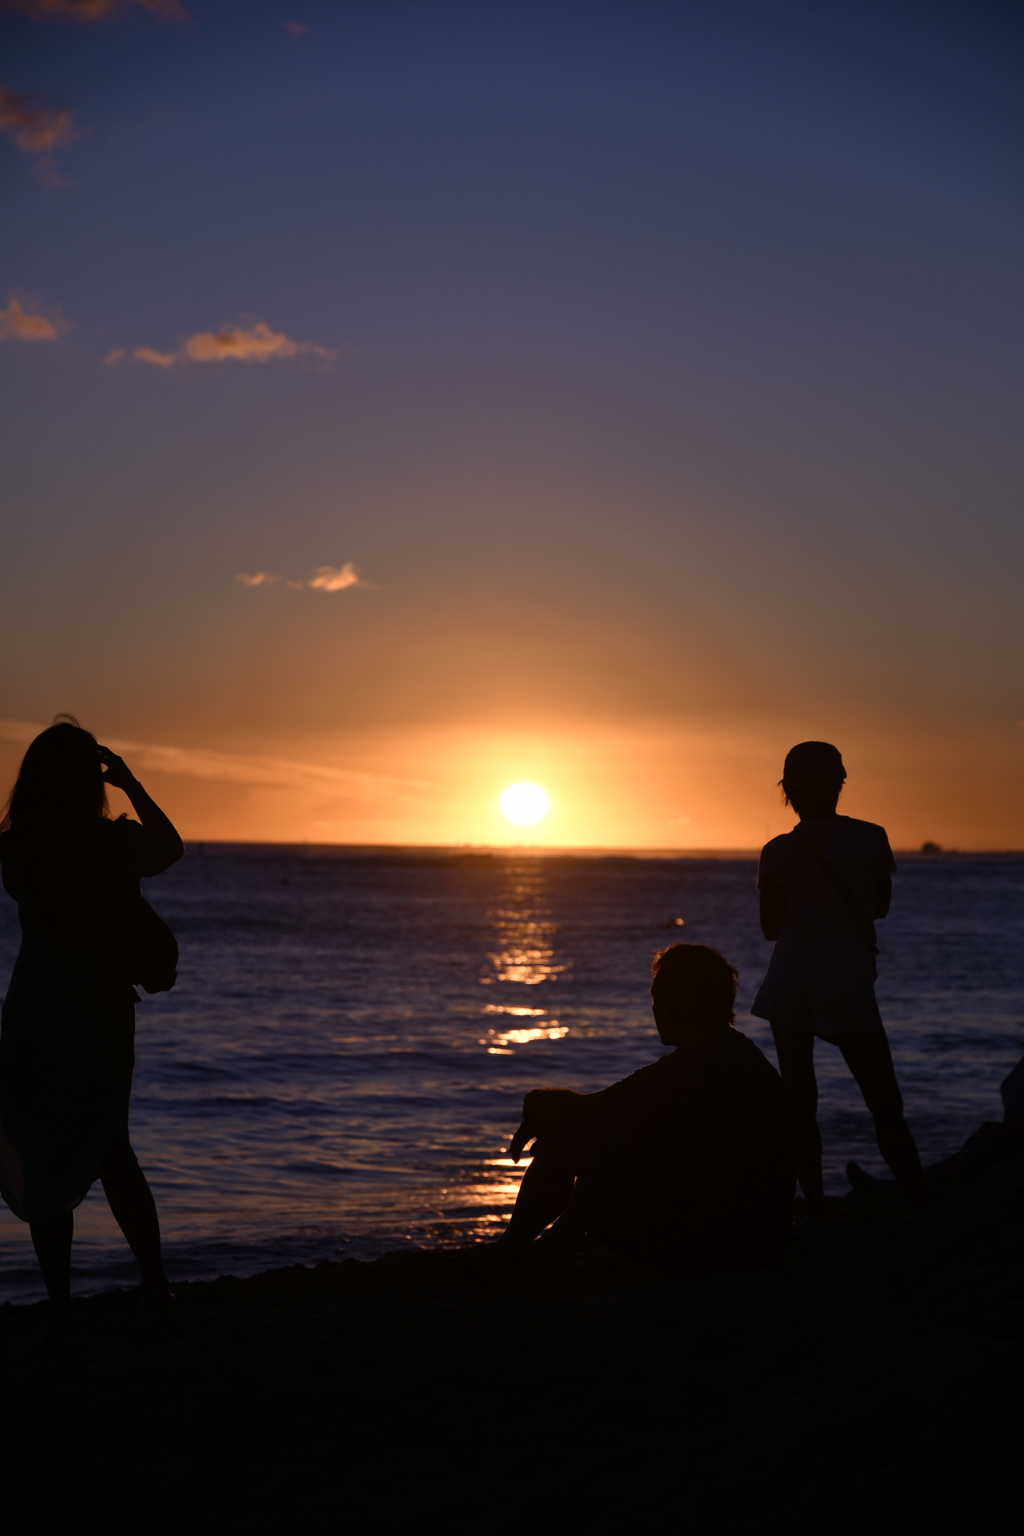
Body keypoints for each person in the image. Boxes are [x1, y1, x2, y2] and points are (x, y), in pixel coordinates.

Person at [0, 716, 184, 1309]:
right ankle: (154, 1286)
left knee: (44, 1152)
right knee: (112, 1148)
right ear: (90, 782)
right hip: (99, 1012)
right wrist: (129, 781)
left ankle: (59, 1302)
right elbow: (171, 847)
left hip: (34, 1010)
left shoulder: (17, 847)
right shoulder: (116, 844)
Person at [489, 942, 798, 1274]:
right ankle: (531, 1254)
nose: (655, 1008)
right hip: (760, 1244)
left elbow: (588, 1111)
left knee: (575, 1150)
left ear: (687, 1002)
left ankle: (517, 1254)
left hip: (725, 1249)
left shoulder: (695, 1067)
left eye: (661, 997)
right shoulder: (735, 1057)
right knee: (606, 1150)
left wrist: (538, 1104)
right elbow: (607, 1113)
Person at [751, 740, 925, 1224]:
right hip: (845, 977)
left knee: (799, 1103)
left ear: (786, 791)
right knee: (884, 1101)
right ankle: (918, 1199)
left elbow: (770, 928)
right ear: (840, 784)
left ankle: (816, 1208)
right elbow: (880, 907)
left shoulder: (777, 851)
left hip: (788, 976)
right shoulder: (872, 837)